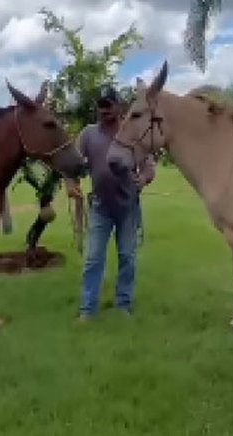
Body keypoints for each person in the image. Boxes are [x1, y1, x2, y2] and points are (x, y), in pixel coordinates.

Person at [65, 84, 155, 320]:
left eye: (108, 105)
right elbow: (72, 163)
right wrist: (70, 182)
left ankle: (123, 305)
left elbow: (149, 166)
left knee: (127, 257)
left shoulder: (131, 132)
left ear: (119, 106)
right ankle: (87, 310)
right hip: (100, 207)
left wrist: (143, 178)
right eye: (100, 106)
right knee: (94, 259)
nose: (104, 110)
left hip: (128, 207)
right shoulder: (88, 134)